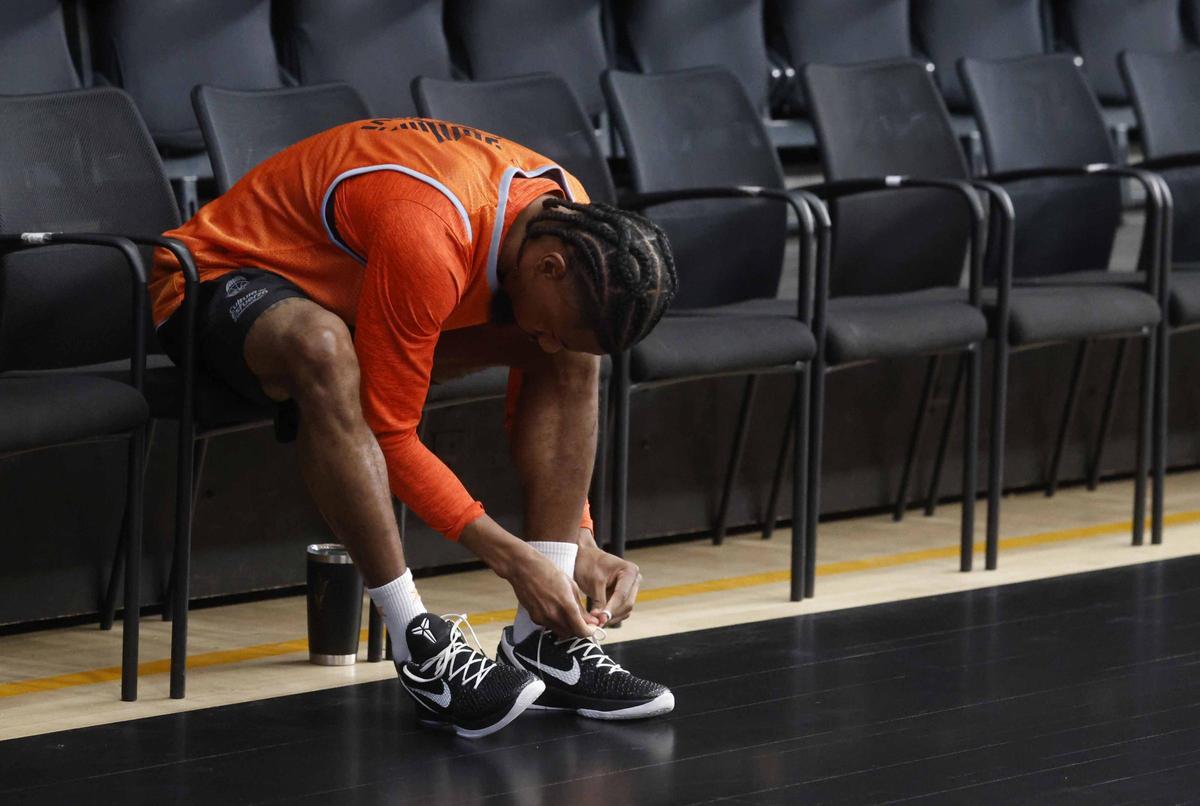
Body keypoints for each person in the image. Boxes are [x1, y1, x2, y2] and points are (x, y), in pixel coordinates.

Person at [150, 117, 678, 737]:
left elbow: (546, 367)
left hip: (355, 293)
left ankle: (546, 641)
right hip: (215, 277)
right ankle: (418, 644)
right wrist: (511, 558)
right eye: (554, 322)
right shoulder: (427, 230)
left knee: (570, 360)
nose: (550, 338)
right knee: (324, 351)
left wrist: (575, 544)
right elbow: (390, 432)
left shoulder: (570, 220)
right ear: (551, 268)